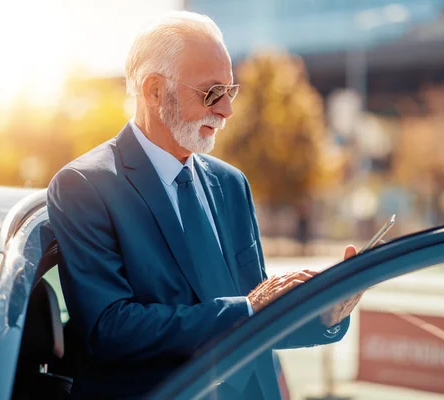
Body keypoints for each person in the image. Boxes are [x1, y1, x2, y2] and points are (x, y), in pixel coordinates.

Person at [47, 11, 362, 400]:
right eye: (212, 93)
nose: (227, 110)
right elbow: (109, 329)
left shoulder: (231, 184)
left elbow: (256, 310)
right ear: (154, 91)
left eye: (230, 91)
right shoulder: (85, 186)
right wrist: (247, 308)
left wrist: (324, 315)